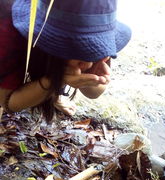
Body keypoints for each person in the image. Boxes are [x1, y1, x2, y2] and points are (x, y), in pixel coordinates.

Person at [0, 0, 131, 122]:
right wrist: (55, 80)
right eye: (79, 46)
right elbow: (8, 103)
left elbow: (95, 92)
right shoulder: (9, 34)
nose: (90, 62)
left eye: (89, 47)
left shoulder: (95, 18)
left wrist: (93, 75)